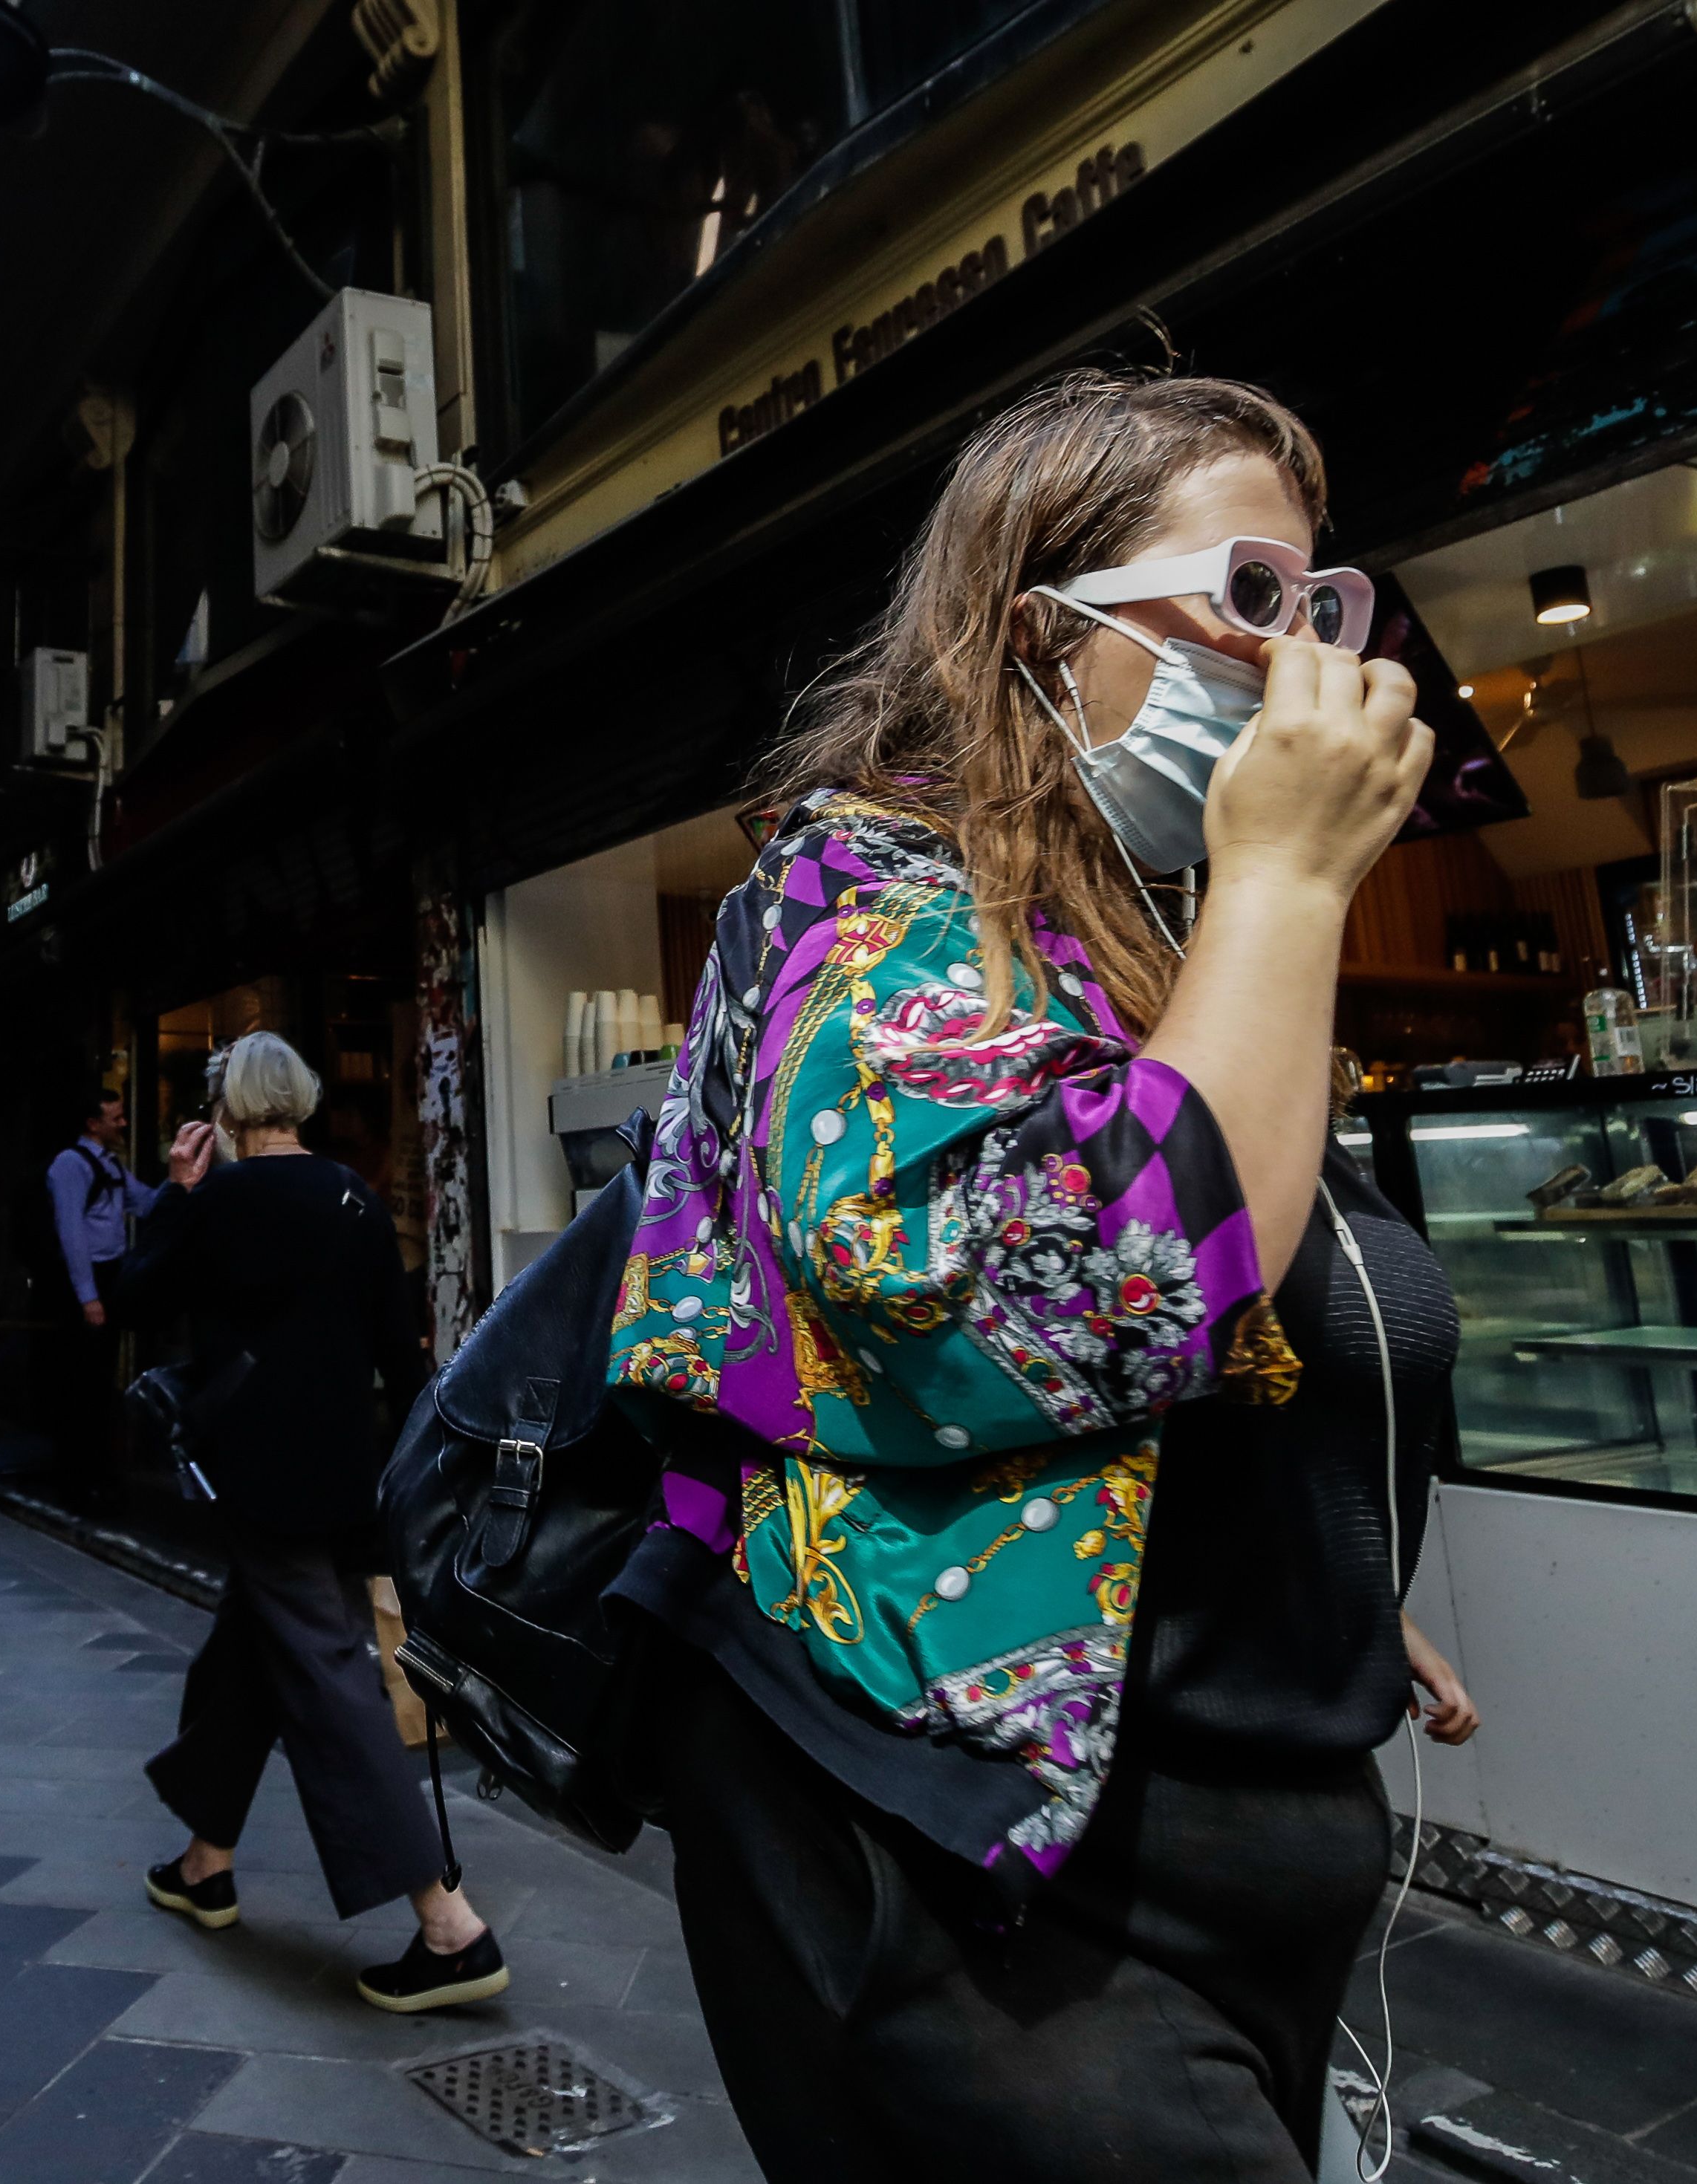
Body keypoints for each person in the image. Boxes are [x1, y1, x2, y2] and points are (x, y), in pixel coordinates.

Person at [602, 371, 1484, 2180]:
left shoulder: (1153, 929)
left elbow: (1238, 1346)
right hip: (977, 1867)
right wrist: (1295, 886)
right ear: (1040, 635)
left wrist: (1292, 1541)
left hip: (1230, 1845)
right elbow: (1091, 1287)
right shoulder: (874, 895)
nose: (1303, 659)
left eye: (1323, 606)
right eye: (1248, 599)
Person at [121, 1033, 502, 2013]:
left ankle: (447, 1924)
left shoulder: (219, 1203)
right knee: (247, 1654)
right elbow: (401, 1353)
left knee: (331, 1682)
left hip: (260, 1479)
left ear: (227, 1107)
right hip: (346, 1475)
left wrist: (173, 1187)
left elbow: (133, 1298)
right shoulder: (357, 1201)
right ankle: (204, 1863)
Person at [41, 1085, 161, 1502]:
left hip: (107, 1273)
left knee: (97, 1379)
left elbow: (144, 1201)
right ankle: (76, 1476)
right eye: (115, 1117)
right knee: (81, 1381)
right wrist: (87, 1296)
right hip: (87, 1278)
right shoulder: (70, 1165)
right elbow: (71, 1233)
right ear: (93, 1123)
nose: (123, 1124)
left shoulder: (108, 1163)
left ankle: (94, 1471)